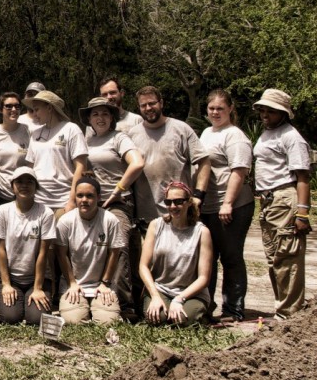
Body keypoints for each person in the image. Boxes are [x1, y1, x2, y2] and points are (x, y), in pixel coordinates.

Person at [81, 96, 145, 316]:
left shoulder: (119, 138)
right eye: (96, 114)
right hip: (92, 204)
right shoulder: (86, 141)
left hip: (118, 202)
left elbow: (137, 163)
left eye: (105, 113)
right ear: (89, 118)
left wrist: (118, 189)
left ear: (112, 117)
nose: (101, 118)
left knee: (119, 249)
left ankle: (124, 306)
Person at [252, 88, 311, 319]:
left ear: (283, 113)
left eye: (271, 111)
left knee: (288, 257)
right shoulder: (267, 133)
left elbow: (303, 177)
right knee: (273, 258)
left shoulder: (291, 137)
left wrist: (302, 214)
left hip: (285, 198)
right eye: (263, 110)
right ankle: (281, 308)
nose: (265, 115)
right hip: (268, 201)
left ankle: (290, 314)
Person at [199, 89, 254, 321]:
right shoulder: (206, 132)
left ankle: (233, 309)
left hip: (232, 205)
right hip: (209, 205)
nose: (215, 112)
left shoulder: (235, 136)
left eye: (220, 108)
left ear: (230, 108)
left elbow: (239, 171)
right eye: (212, 108)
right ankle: (205, 307)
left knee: (231, 256)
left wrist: (227, 203)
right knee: (208, 257)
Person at [128, 86, 210, 227]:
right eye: (143, 105)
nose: (148, 108)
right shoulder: (132, 134)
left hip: (180, 212)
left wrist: (198, 196)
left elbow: (204, 161)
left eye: (152, 103)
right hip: (147, 217)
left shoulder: (181, 129)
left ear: (161, 103)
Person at [138, 181, 212, 326]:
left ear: (189, 202)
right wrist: (154, 295)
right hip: (161, 289)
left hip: (190, 292)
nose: (173, 206)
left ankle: (200, 314)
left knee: (183, 320)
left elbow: (204, 278)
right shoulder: (156, 225)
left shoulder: (202, 232)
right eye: (168, 202)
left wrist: (180, 299)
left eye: (178, 202)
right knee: (157, 318)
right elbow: (143, 266)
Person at [55, 175, 125, 324]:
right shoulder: (65, 221)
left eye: (89, 196)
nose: (84, 200)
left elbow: (114, 254)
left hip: (101, 285)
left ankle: (98, 307)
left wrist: (105, 283)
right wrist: (72, 283)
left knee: (108, 322)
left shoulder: (110, 220)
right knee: (73, 321)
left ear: (98, 197)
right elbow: (62, 254)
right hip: (75, 284)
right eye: (80, 195)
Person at [0, 167, 55, 325]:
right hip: (12, 278)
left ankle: (34, 297)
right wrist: (6, 284)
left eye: (29, 182)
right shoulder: (2, 211)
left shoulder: (46, 213)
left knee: (36, 319)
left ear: (36, 187)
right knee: (10, 318)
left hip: (36, 277)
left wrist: (38, 288)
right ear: (12, 186)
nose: (24, 185)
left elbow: (43, 253)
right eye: (19, 182)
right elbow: (0, 250)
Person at [0, 91, 30, 276]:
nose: (13, 109)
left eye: (17, 106)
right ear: (0, 109)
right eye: (8, 106)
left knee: (20, 239)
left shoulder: (27, 132)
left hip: (21, 196)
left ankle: (19, 279)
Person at [24, 90, 88, 214]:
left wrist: (72, 200)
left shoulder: (71, 129)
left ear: (49, 108)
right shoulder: (35, 134)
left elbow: (81, 166)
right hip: (38, 201)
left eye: (36, 109)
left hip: (63, 200)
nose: (34, 114)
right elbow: (30, 167)